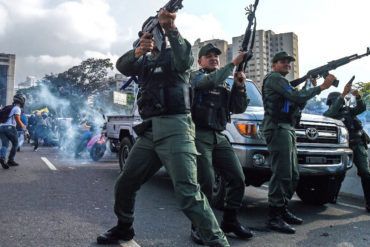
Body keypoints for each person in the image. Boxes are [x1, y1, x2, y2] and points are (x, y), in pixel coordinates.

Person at [97, 9, 229, 247]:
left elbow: (186, 59)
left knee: (188, 194)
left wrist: (170, 28)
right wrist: (138, 50)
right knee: (126, 182)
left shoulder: (174, 56)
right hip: (150, 131)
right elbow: (122, 66)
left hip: (176, 128)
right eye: (146, 35)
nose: (151, 39)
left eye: (152, 34)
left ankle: (218, 242)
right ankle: (124, 227)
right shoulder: (144, 61)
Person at [262, 51, 336, 233]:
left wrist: (308, 86)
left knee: (293, 174)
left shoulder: (284, 83)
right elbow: (296, 98)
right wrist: (322, 87)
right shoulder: (274, 78)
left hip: (287, 128)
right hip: (278, 128)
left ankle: (282, 209)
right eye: (283, 62)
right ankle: (274, 216)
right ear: (274, 64)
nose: (287, 64)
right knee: (282, 173)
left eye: (289, 62)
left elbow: (298, 102)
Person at [189, 43, 253, 243]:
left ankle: (230, 221)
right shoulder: (194, 76)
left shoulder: (225, 82)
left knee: (237, 178)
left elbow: (238, 107)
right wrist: (234, 63)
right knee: (205, 181)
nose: (213, 58)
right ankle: (199, 226)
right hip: (199, 134)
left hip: (219, 135)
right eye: (208, 56)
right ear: (200, 61)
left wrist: (240, 86)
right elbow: (207, 83)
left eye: (216, 56)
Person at [323, 85, 370, 213]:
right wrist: (342, 95)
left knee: (366, 173)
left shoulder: (348, 111)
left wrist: (358, 96)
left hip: (358, 144)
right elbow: (329, 113)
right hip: (343, 147)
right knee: (338, 173)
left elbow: (361, 108)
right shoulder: (329, 115)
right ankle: (332, 196)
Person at [0, 94, 27, 168]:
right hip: (10, 128)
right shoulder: (17, 108)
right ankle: (10, 160)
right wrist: (24, 128)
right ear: (22, 101)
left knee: (5, 144)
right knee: (15, 144)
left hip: (1, 128)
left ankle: (2, 157)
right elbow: (18, 121)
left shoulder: (9, 107)